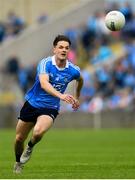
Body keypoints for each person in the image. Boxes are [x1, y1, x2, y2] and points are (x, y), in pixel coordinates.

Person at [13, 35, 83, 173]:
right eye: (61, 47)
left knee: (38, 133)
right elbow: (44, 84)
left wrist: (77, 97)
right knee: (19, 138)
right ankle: (18, 162)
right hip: (32, 103)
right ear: (54, 49)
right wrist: (62, 95)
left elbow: (80, 80)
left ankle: (30, 147)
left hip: (50, 107)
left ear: (69, 51)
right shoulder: (45, 63)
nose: (64, 50)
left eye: (67, 48)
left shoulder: (73, 70)